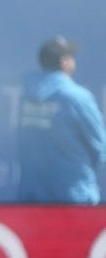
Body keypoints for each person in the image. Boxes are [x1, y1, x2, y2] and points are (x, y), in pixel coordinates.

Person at [17, 36, 106, 205]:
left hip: (32, 199)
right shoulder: (77, 97)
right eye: (71, 56)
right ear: (65, 62)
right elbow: (100, 146)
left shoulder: (27, 95)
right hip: (72, 197)